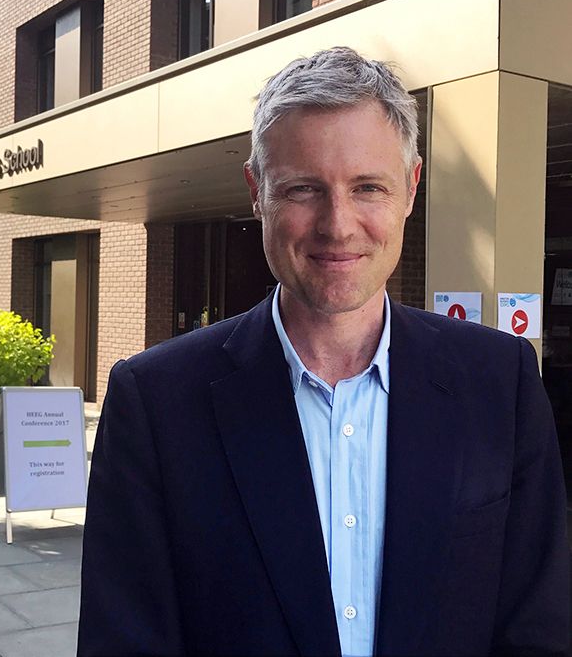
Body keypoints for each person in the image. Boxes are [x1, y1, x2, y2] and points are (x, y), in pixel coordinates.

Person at [78, 47, 570, 656]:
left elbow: (539, 628)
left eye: (368, 187)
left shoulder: (502, 380)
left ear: (411, 188)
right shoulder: (155, 403)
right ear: (258, 193)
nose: (337, 225)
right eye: (303, 189)